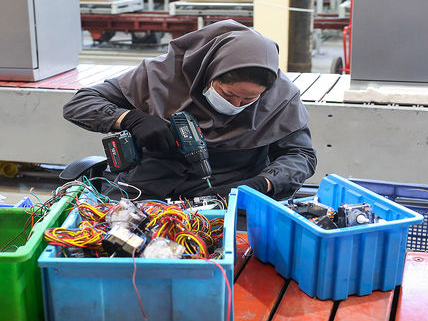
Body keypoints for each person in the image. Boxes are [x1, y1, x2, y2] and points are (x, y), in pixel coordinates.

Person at [62, 20, 316, 200]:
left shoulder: (281, 98)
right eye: (228, 94)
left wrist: (265, 182)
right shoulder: (161, 75)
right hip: (146, 188)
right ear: (208, 72)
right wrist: (129, 118)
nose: (236, 104)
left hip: (229, 194)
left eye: (249, 99)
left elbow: (301, 155)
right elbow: (80, 103)